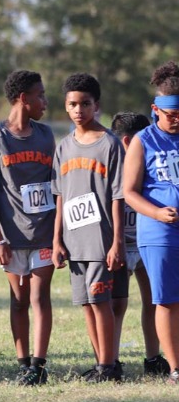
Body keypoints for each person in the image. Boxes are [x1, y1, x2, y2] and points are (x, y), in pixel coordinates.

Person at [0, 70, 56, 385]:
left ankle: (38, 366)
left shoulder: (47, 135)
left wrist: (58, 236)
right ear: (23, 98)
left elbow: (56, 186)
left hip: (44, 231)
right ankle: (23, 363)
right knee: (19, 300)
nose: (45, 102)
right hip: (11, 236)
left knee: (40, 297)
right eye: (40, 95)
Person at [51, 73, 125, 382]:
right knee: (86, 303)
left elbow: (118, 197)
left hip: (100, 238)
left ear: (96, 105)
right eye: (72, 104)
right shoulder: (64, 146)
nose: (78, 110)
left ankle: (108, 366)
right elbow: (60, 197)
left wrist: (117, 241)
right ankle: (101, 363)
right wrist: (57, 239)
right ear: (65, 106)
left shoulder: (110, 144)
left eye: (85, 104)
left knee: (100, 301)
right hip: (74, 239)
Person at [123, 61, 179, 384]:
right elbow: (129, 192)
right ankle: (175, 367)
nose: (176, 120)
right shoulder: (144, 141)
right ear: (155, 109)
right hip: (160, 232)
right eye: (171, 115)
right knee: (167, 299)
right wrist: (157, 213)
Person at [111, 112, 170, 376]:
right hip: (120, 244)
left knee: (154, 301)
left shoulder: (154, 162)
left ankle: (153, 357)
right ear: (127, 141)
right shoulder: (113, 164)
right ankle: (111, 360)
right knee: (117, 304)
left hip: (147, 240)